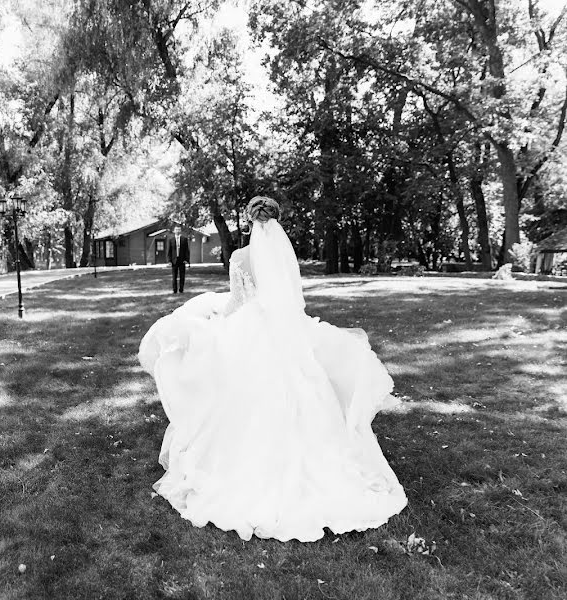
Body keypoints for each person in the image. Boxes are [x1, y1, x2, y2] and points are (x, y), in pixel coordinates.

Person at [138, 196, 407, 542]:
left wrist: (220, 319)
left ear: (250, 222)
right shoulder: (284, 254)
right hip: (285, 334)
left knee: (239, 392)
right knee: (301, 390)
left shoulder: (239, 257)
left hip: (251, 330)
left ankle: (244, 466)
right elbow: (291, 300)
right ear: (277, 222)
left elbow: (238, 302)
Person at [167, 225, 190, 293]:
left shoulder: (184, 239)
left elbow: (187, 250)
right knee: (174, 277)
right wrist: (169, 261)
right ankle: (174, 290)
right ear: (174, 231)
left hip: (182, 260)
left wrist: (187, 260)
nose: (177, 231)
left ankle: (181, 289)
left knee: (182, 276)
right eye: (176, 229)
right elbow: (169, 251)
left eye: (179, 229)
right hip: (174, 261)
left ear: (180, 231)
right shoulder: (171, 240)